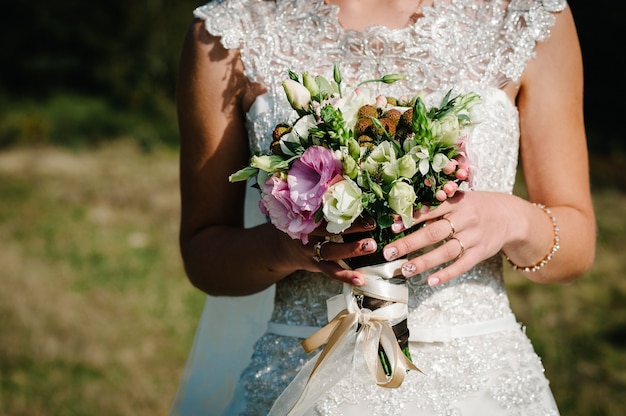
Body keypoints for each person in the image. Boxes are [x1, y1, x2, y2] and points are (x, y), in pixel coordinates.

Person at [170, 0, 595, 414]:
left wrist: (511, 219)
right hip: (303, 377)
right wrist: (285, 249)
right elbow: (204, 255)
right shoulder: (229, 32)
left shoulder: (525, 15)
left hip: (480, 380)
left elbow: (577, 247)